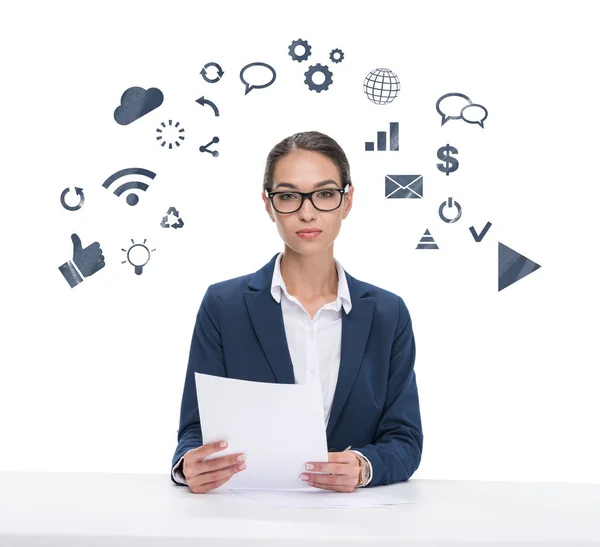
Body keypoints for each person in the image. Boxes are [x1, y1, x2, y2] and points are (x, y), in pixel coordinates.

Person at [171, 131, 424, 494]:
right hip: (245, 518)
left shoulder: (388, 313)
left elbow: (404, 438)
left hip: (359, 523)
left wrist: (363, 467)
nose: (307, 212)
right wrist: (187, 466)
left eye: (324, 194)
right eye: (289, 196)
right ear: (268, 204)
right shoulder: (223, 306)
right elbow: (195, 427)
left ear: (347, 201)